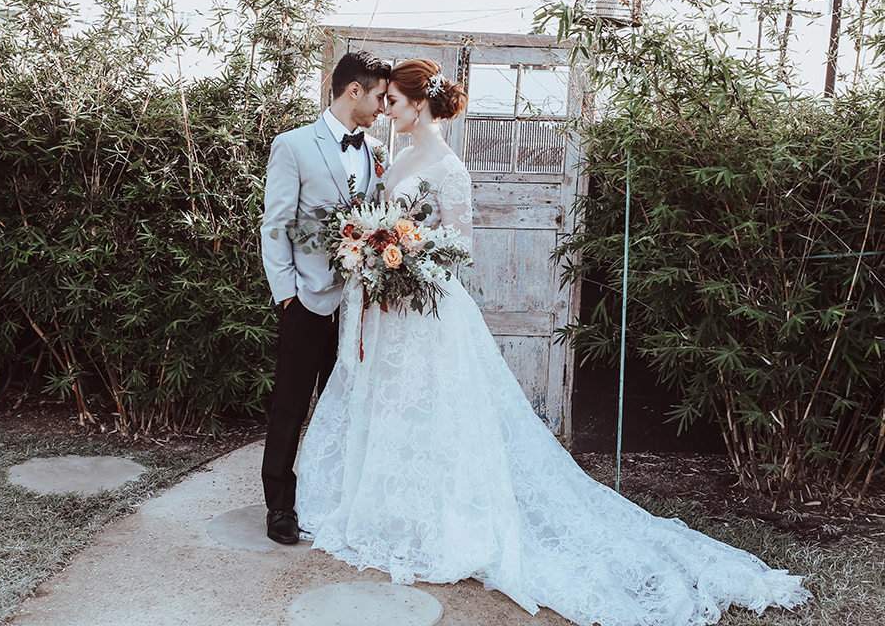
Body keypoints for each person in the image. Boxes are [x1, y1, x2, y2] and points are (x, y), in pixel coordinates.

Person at [294, 58, 810, 626]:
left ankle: (434, 517)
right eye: (383, 99)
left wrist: (404, 260)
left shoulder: (448, 166)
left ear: (419, 104)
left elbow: (458, 247)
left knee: (431, 411)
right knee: (389, 406)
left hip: (421, 306)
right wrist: (375, 250)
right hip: (384, 307)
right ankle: (383, 507)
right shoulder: (394, 156)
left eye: (392, 100)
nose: (385, 108)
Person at [259, 51, 390, 545]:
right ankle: (280, 505)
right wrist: (287, 295)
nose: (382, 106)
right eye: (378, 95)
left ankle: (334, 496)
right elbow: (276, 224)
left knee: (347, 404)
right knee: (290, 405)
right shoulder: (292, 145)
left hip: (359, 307)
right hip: (307, 301)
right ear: (353, 90)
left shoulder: (378, 151)